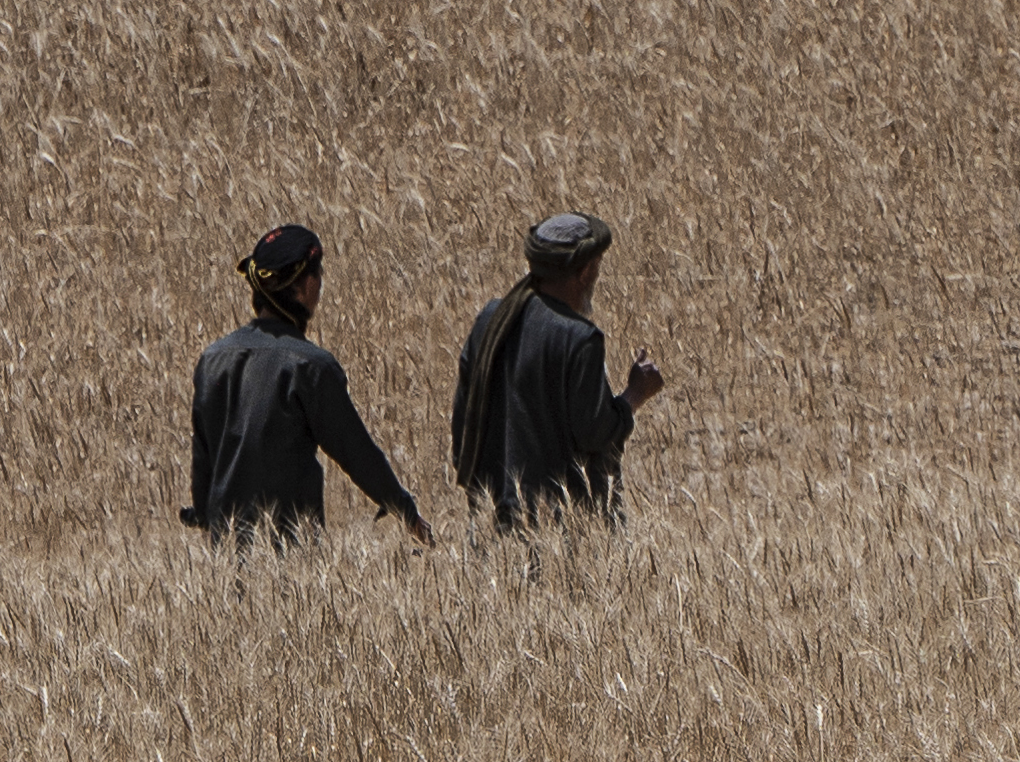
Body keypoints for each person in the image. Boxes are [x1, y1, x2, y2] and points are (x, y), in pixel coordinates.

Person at [185, 222, 435, 546]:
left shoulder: (212, 359)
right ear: (304, 286)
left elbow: (202, 456)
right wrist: (407, 513)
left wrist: (205, 518)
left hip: (225, 551)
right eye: (318, 274)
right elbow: (356, 453)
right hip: (290, 557)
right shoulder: (310, 366)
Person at [449, 208, 667, 527]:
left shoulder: (491, 320)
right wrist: (635, 393)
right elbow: (597, 434)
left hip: (491, 518)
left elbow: (462, 422)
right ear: (585, 272)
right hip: (555, 526)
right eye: (597, 266)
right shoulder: (579, 338)